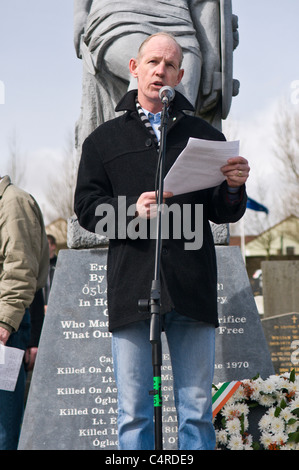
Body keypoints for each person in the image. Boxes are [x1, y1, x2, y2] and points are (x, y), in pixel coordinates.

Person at [74, 33, 250, 450]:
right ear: (134, 69)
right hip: (133, 287)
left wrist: (232, 187)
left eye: (170, 65)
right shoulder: (103, 140)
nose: (161, 70)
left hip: (192, 288)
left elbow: (223, 211)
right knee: (134, 414)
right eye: (153, 62)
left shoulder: (203, 135)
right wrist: (130, 211)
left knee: (195, 413)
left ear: (181, 75)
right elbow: (85, 208)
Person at [0, 175, 49, 450]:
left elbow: (21, 271)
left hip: (6, 333)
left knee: (4, 428)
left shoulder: (13, 202)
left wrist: (4, 323)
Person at [43, 234, 57, 312]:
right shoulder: (39, 265)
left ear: (53, 246)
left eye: (46, 244)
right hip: (40, 308)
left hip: (56, 307)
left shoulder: (60, 264)